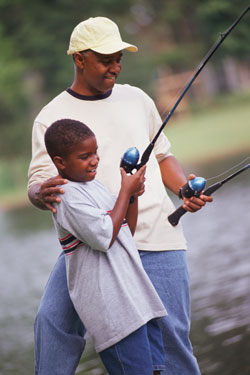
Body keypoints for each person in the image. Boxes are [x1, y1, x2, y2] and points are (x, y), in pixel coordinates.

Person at [28, 16, 212, 375]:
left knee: (172, 339)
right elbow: (38, 183)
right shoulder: (50, 117)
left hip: (156, 235)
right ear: (80, 59)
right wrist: (38, 192)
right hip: (94, 245)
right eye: (106, 58)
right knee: (52, 323)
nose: (116, 65)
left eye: (119, 58)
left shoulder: (136, 98)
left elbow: (162, 156)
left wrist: (184, 190)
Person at [44, 118, 167, 375]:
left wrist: (131, 196)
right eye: (84, 156)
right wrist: (124, 191)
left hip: (138, 303)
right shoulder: (66, 197)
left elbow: (125, 232)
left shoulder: (94, 186)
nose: (95, 160)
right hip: (115, 316)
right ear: (60, 162)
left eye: (95, 152)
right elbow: (104, 236)